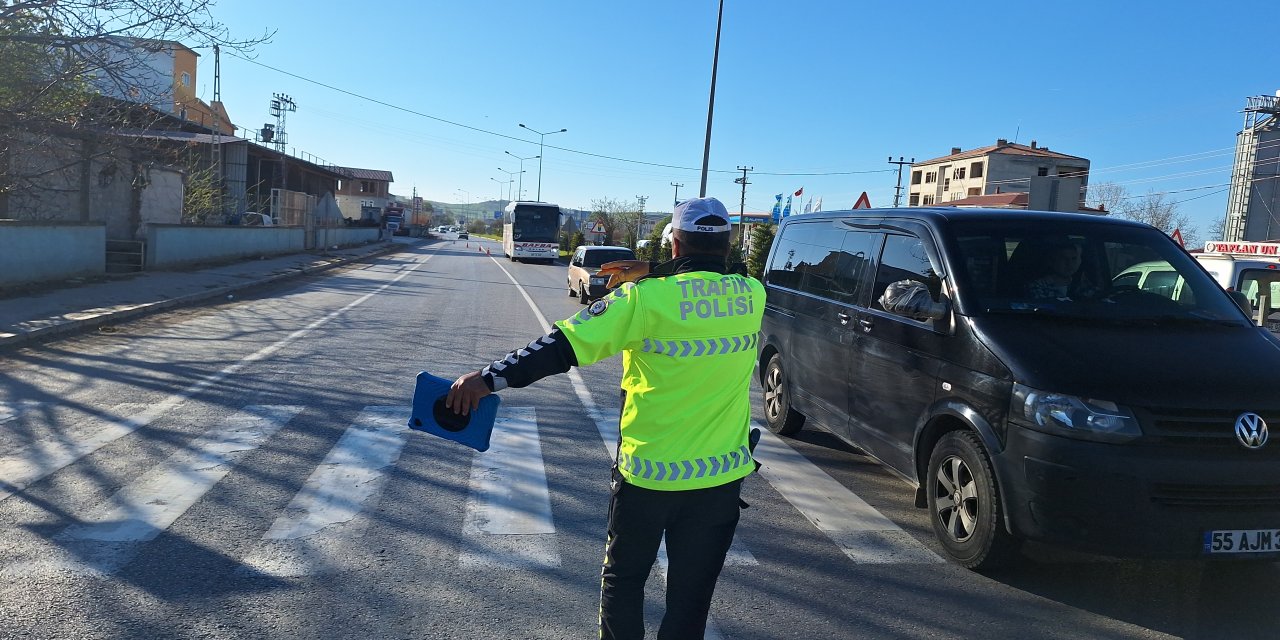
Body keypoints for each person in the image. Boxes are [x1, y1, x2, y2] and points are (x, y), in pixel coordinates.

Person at [447, 197, 765, 640]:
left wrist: (487, 379)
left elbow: (562, 346)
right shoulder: (752, 295)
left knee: (625, 583)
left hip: (649, 478)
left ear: (673, 243)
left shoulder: (643, 299)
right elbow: (713, 282)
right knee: (691, 600)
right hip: (720, 480)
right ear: (729, 243)